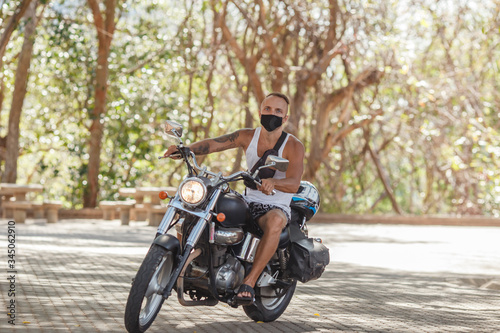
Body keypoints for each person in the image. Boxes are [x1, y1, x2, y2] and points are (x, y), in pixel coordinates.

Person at [163, 92, 304, 305]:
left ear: (285, 118)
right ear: (260, 112)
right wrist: (186, 150)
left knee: (275, 221)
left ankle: (249, 281)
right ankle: (189, 266)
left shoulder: (293, 145)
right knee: (202, 205)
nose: (271, 114)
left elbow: (294, 183)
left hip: (275, 204)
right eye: (267, 109)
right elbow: (214, 144)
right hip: (249, 201)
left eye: (278, 111)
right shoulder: (247, 136)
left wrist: (274, 183)